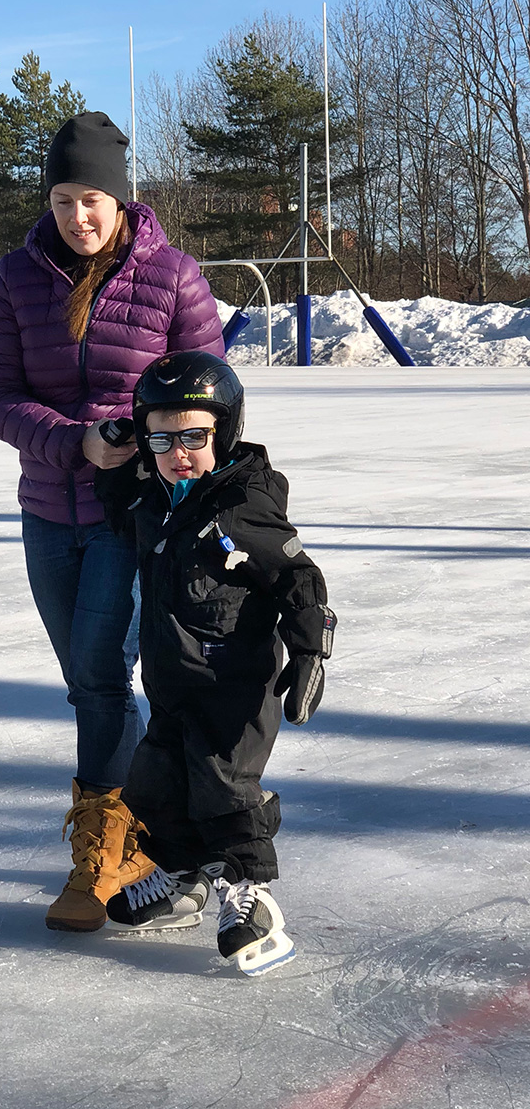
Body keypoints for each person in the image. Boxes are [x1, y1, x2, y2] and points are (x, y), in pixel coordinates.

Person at [0, 111, 224, 933]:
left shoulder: (173, 277)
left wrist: (147, 446)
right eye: (62, 200)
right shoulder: (18, 277)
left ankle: (106, 852)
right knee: (89, 683)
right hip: (48, 511)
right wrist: (74, 441)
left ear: (120, 199)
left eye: (92, 200)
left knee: (100, 675)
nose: (78, 217)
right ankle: (138, 831)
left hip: (132, 516)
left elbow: (208, 396)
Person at [94, 351, 336, 975]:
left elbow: (296, 577)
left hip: (234, 683)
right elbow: (119, 510)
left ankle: (252, 898)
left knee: (225, 788)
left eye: (194, 438)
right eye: (161, 439)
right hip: (172, 680)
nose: (178, 453)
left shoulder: (242, 505)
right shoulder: (157, 499)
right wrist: (115, 457)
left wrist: (311, 647)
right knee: (156, 783)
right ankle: (182, 883)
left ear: (222, 433)